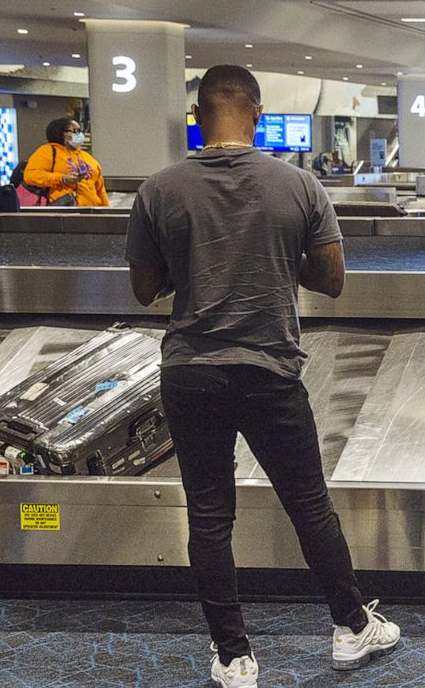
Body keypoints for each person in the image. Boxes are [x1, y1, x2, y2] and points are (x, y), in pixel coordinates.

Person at [125, 66, 401, 687]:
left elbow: (145, 288)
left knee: (209, 517)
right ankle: (353, 627)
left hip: (190, 372)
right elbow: (331, 280)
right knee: (309, 505)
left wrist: (192, 268)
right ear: (254, 111)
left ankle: (234, 657)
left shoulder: (159, 190)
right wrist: (277, 259)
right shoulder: (299, 185)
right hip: (269, 370)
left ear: (197, 117)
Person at [21, 118, 108, 207]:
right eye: (75, 131)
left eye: (80, 130)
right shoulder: (47, 151)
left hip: (92, 212)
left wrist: (106, 211)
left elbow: (100, 190)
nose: (79, 134)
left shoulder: (87, 157)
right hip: (65, 212)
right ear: (61, 133)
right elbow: (31, 175)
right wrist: (62, 179)